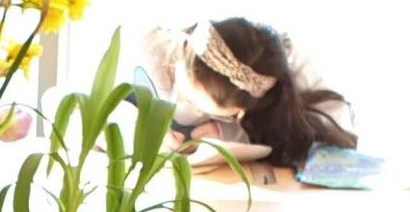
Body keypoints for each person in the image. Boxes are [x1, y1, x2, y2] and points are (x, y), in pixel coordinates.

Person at [135, 17, 354, 169]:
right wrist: (144, 133)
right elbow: (107, 115)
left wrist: (225, 133)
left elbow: (334, 131)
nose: (198, 113)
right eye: (193, 102)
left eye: (228, 115)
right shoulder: (148, 54)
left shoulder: (284, 76)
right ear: (183, 50)